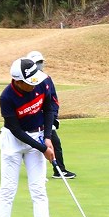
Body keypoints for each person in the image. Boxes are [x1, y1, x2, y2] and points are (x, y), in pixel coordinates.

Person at [0, 57, 58, 217]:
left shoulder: (41, 83)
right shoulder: (6, 97)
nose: (34, 84)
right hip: (12, 142)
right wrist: (43, 148)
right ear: (18, 81)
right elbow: (15, 130)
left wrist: (47, 137)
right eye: (29, 82)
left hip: (37, 135)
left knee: (38, 188)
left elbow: (48, 109)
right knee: (8, 188)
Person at [27, 50, 75, 179]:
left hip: (46, 118)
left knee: (54, 143)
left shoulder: (47, 79)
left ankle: (59, 170)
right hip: (32, 119)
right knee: (26, 144)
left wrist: (54, 116)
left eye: (41, 62)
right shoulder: (26, 81)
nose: (39, 65)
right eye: (37, 62)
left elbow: (53, 98)